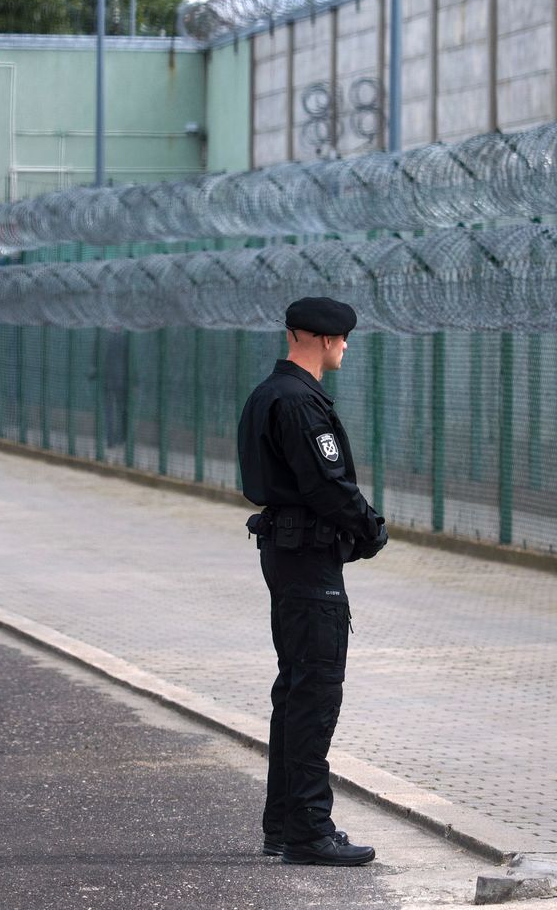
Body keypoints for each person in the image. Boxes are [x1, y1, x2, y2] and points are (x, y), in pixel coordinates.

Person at [237, 296, 389, 867]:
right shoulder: (301, 402)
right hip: (307, 560)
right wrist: (370, 528)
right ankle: (308, 830)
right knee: (315, 693)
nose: (346, 347)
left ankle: (283, 824)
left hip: (285, 551)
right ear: (325, 340)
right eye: (344, 339)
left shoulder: (268, 394)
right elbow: (328, 485)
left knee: (295, 689)